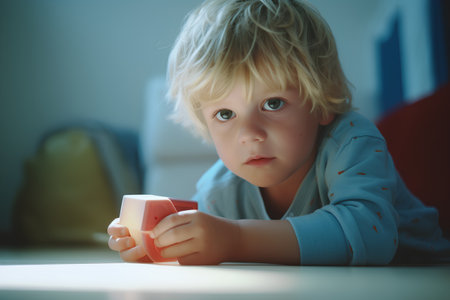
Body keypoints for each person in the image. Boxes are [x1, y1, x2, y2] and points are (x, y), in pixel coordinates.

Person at [108, 0, 450, 265]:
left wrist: (235, 239)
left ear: (320, 102)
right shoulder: (218, 190)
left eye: (273, 104)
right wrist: (160, 244)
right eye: (225, 114)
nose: (250, 134)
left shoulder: (351, 140)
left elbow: (371, 235)